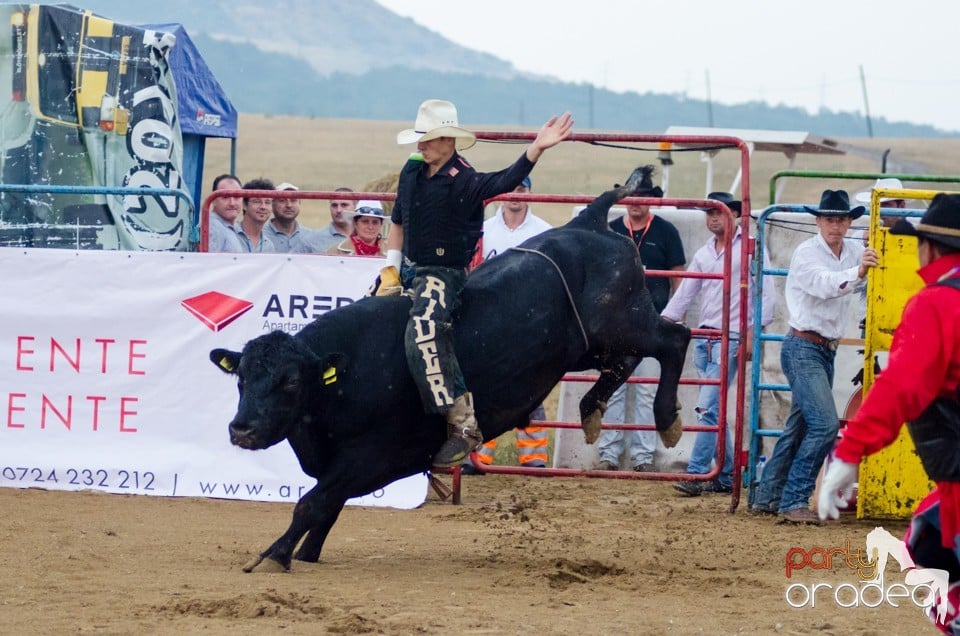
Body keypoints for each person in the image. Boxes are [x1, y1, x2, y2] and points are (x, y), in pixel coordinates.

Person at [373, 98, 573, 468]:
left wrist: (534, 150)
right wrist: (391, 269)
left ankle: (463, 423)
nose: (420, 145)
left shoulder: (464, 180)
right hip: (407, 267)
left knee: (425, 329)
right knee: (369, 320)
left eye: (428, 139)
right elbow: (398, 220)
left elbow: (503, 181)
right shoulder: (413, 170)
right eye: (421, 138)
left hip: (443, 273)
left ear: (448, 141)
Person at [818, 193, 960, 633]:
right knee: (928, 536)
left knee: (930, 546)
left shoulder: (937, 303)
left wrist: (849, 452)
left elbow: (901, 385)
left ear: (931, 248)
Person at [750, 189, 879, 523]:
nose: (836, 226)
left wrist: (869, 251)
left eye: (841, 219)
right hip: (804, 348)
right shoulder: (807, 253)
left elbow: (862, 257)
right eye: (830, 219)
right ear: (819, 221)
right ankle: (793, 499)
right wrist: (859, 272)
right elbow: (825, 284)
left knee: (800, 426)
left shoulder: (852, 249)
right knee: (823, 426)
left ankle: (767, 496)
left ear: (850, 221)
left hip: (819, 349)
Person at [662, 192, 776, 495]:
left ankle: (697, 473)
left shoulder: (751, 249)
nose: (713, 218)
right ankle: (725, 474)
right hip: (706, 338)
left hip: (733, 337)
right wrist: (663, 323)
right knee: (712, 409)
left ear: (735, 215)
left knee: (708, 407)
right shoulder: (704, 253)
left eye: (719, 212)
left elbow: (768, 295)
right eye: (709, 213)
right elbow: (686, 293)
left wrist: (752, 333)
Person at [595, 167, 685, 472]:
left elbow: (678, 278)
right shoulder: (609, 231)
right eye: (632, 196)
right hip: (614, 325)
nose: (636, 202)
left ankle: (642, 457)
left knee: (646, 390)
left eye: (643, 197)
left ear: (653, 201)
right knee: (613, 388)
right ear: (624, 199)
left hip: (651, 323)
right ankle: (609, 454)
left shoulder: (666, 232)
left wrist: (673, 317)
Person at [462, 176, 553, 473]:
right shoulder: (482, 230)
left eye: (522, 189)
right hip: (488, 320)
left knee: (532, 386)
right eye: (512, 188)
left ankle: (534, 457)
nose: (516, 195)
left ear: (530, 192)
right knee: (484, 387)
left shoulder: (545, 233)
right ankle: (478, 454)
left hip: (529, 322)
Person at [265, 182, 314, 253]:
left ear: (299, 204)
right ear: (272, 204)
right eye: (282, 200)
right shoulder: (261, 236)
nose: (289, 205)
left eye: (293, 200)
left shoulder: (310, 236)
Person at [207, 174, 245, 253]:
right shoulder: (213, 228)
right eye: (225, 197)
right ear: (213, 200)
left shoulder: (233, 228)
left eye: (237, 197)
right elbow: (209, 263)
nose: (232, 203)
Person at [237, 177, 276, 253]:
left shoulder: (268, 246)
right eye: (257, 201)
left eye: (268, 202)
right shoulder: (231, 235)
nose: (263, 207)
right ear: (244, 204)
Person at [312, 187, 355, 252]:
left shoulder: (369, 237)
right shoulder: (313, 240)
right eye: (334, 205)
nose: (339, 210)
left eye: (344, 205)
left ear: (355, 206)